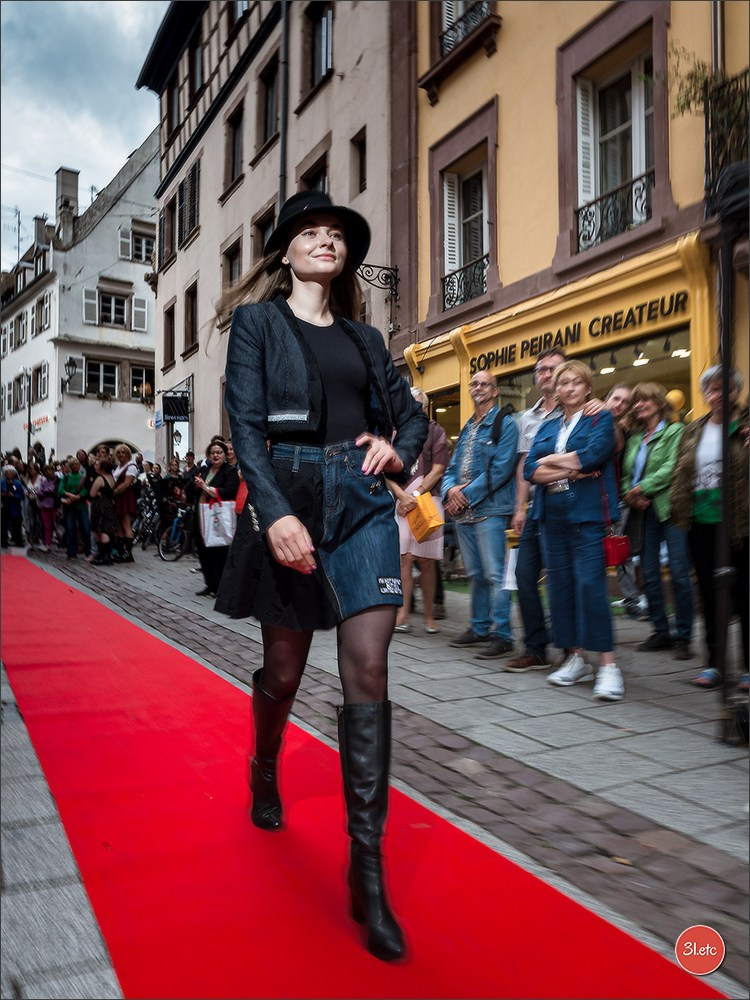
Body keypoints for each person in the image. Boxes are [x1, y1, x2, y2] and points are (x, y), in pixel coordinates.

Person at [214, 190, 427, 962]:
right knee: (284, 667)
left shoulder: (369, 340)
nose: (325, 240)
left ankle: (366, 871)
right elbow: (242, 425)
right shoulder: (259, 325)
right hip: (292, 498)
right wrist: (272, 513)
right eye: (311, 232)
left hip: (364, 507)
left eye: (336, 233)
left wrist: (397, 447)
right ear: (286, 253)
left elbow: (412, 416)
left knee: (368, 667)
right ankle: (263, 764)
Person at [524, 360, 624, 700]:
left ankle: (608, 666)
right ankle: (576, 658)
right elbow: (529, 469)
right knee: (561, 588)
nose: (568, 388)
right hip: (552, 516)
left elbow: (593, 455)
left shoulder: (600, 418)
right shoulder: (548, 427)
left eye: (576, 382)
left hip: (586, 514)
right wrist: (568, 467)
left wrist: (551, 462)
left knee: (590, 586)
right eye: (563, 382)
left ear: (587, 387)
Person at [671, 366, 749, 691]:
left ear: (736, 392)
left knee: (744, 596)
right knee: (709, 594)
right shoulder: (693, 430)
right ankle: (715, 664)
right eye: (711, 390)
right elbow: (682, 471)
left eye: (724, 389)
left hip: (740, 523)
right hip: (700, 522)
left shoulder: (745, 426)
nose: (717, 396)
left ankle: (747, 668)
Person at [442, 372, 519, 659]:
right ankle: (479, 627)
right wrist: (450, 491)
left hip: (491, 511)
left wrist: (464, 496)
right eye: (474, 383)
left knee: (496, 574)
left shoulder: (506, 424)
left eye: (484, 384)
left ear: (496, 391)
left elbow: (501, 470)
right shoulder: (466, 428)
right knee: (476, 574)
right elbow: (451, 469)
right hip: (465, 515)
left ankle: (503, 635)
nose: (478, 388)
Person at [621, 383, 693, 659]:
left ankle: (683, 636)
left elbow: (672, 467)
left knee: (679, 573)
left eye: (645, 400)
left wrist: (642, 488)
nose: (640, 405)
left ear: (659, 402)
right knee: (649, 574)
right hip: (643, 512)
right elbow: (626, 474)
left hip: (670, 508)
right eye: (636, 401)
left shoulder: (675, 431)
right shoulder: (635, 438)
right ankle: (661, 631)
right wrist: (631, 494)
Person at [505, 349, 567, 673]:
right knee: (523, 576)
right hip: (534, 508)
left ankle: (571, 648)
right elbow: (521, 468)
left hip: (563, 505)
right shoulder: (527, 418)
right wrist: (519, 507)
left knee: (560, 577)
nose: (546, 374)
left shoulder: (574, 413)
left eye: (552, 369)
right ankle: (535, 647)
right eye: (541, 370)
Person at [387, 387, 450, 635]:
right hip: (400, 503)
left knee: (426, 561)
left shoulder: (436, 431)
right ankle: (402, 613)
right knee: (404, 558)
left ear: (425, 408)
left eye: (419, 405)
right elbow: (383, 470)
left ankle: (429, 615)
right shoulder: (393, 434)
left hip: (426, 500)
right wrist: (401, 496)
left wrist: (415, 494)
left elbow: (438, 469)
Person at [604, 383, 648, 621]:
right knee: (598, 553)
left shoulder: (625, 430)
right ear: (607, 398)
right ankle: (598, 602)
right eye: (616, 399)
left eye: (624, 402)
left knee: (622, 552)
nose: (619, 405)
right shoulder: (593, 421)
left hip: (619, 500)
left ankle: (631, 600)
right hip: (594, 500)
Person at [193, 440, 239, 598]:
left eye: (219, 452)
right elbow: (193, 490)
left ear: (225, 455)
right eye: (213, 452)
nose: (216, 455)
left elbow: (230, 492)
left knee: (218, 552)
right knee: (203, 550)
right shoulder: (204, 470)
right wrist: (196, 484)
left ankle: (221, 587)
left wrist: (205, 487)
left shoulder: (230, 471)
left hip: (217, 517)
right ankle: (209, 584)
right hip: (201, 515)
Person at [57, 456, 91, 560]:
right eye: (73, 465)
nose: (75, 466)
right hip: (69, 506)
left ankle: (89, 551)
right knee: (70, 528)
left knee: (85, 528)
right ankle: (71, 552)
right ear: (70, 466)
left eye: (76, 464)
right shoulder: (66, 477)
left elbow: (86, 490)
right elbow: (60, 490)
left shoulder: (83, 477)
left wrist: (78, 496)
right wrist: (69, 495)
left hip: (81, 505)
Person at [112, 444, 139, 563]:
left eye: (123, 452)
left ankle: (128, 554)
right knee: (118, 525)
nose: (121, 454)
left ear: (127, 454)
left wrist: (113, 493)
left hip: (125, 497)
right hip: (118, 498)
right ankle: (121, 552)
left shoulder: (131, 466)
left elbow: (127, 483)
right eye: (118, 452)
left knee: (126, 524)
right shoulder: (117, 467)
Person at [89, 458, 118, 565]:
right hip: (110, 505)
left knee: (101, 530)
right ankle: (105, 555)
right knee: (107, 529)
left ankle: (104, 556)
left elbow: (92, 493)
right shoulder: (111, 478)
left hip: (100, 506)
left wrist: (98, 494)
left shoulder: (100, 479)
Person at [35, 464, 59, 552]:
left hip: (54, 505)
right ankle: (47, 544)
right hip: (44, 505)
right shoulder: (43, 481)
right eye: (46, 471)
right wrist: (46, 491)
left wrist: (45, 491)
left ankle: (59, 541)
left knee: (56, 525)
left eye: (50, 470)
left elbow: (53, 490)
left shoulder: (57, 480)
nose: (48, 472)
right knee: (47, 526)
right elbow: (38, 492)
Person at [1, 466, 25, 547]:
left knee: (17, 526)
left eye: (11, 472)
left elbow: (22, 495)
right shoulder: (2, 482)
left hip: (15, 507)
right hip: (5, 507)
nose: (9, 474)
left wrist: (14, 495)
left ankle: (18, 542)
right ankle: (3, 542)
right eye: (7, 472)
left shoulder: (18, 483)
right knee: (4, 526)